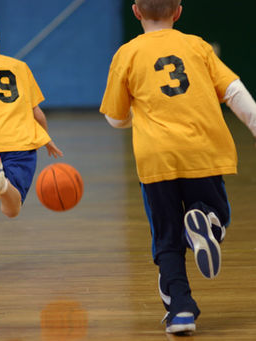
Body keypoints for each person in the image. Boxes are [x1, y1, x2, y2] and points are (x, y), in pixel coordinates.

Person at [100, 0, 256, 335]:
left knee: (166, 238)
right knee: (218, 211)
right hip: (202, 150)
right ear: (179, 12)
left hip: (156, 159)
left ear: (136, 12)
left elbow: (114, 118)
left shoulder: (127, 53)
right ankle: (208, 223)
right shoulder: (197, 45)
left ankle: (181, 311)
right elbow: (233, 91)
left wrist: (135, 116)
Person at [0, 13, 63, 272]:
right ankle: (2, 182)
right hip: (19, 142)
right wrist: (46, 138)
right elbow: (37, 112)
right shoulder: (19, 67)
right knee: (11, 210)